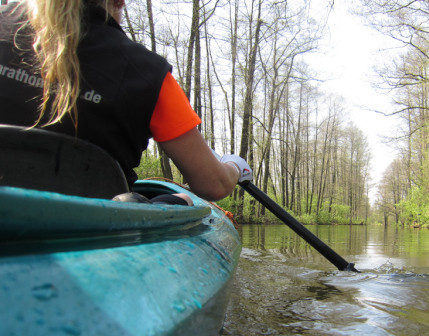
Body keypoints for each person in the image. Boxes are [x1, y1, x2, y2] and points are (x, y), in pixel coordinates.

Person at [0, 0, 251, 205]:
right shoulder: (149, 73)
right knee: (183, 199)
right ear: (118, 2)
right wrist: (234, 167)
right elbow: (214, 184)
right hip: (97, 224)